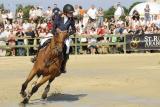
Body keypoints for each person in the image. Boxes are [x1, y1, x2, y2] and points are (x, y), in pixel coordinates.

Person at [31, 4, 76, 73]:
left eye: (72, 12)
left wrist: (67, 33)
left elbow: (74, 30)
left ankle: (63, 66)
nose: (71, 14)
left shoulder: (71, 19)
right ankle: (36, 56)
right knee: (43, 41)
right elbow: (53, 28)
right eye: (70, 12)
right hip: (54, 34)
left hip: (64, 37)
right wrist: (56, 33)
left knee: (67, 48)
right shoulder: (58, 17)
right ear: (65, 12)